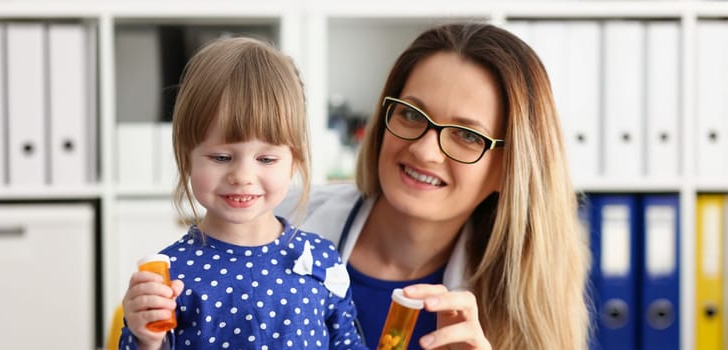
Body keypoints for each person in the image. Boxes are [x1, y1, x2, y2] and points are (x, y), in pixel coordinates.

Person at [276, 22, 591, 349]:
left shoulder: (527, 303)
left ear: (510, 168)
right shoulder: (270, 219)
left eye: (468, 136)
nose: (425, 151)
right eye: (411, 115)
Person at [120, 37, 369, 350]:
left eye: (266, 159)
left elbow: (347, 342)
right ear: (186, 158)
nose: (242, 176)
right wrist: (145, 338)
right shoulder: (170, 276)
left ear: (295, 162)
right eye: (222, 157)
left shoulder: (321, 259)